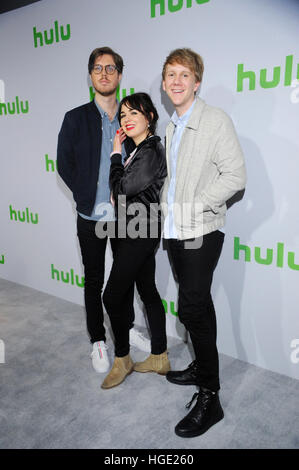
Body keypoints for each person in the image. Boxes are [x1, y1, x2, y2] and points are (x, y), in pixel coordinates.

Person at [161, 48, 246, 437]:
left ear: (197, 82)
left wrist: (197, 207)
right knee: (193, 307)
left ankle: (210, 396)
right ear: (164, 83)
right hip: (176, 231)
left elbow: (235, 176)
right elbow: (174, 180)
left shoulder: (215, 120)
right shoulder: (171, 125)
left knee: (193, 305)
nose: (176, 81)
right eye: (170, 75)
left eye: (184, 75)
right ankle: (201, 365)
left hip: (202, 230)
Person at [57, 47, 151, 375]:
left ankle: (123, 330)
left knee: (123, 279)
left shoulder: (131, 117)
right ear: (91, 75)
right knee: (94, 279)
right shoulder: (75, 118)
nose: (104, 73)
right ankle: (98, 338)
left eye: (110, 68)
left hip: (126, 217)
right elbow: (63, 163)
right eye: (98, 68)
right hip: (91, 217)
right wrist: (85, 195)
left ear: (120, 75)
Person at [101, 92, 170, 389]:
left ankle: (123, 358)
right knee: (148, 290)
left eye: (134, 114)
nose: (127, 120)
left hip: (139, 233)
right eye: (123, 115)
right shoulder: (139, 149)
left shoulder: (151, 149)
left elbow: (123, 188)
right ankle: (160, 355)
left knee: (112, 296)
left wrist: (115, 154)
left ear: (150, 117)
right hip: (134, 229)